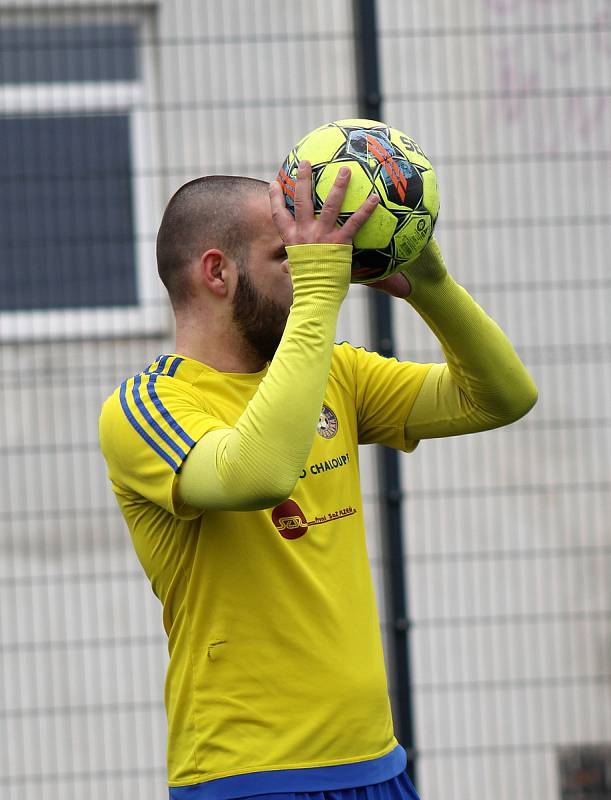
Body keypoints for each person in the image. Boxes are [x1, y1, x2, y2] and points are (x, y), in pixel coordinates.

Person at [99, 161, 537, 800]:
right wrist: (323, 295)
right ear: (217, 272)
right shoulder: (146, 406)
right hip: (249, 776)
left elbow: (500, 398)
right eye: (290, 255)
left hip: (376, 764)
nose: (313, 272)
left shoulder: (332, 372)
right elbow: (259, 474)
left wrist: (433, 286)